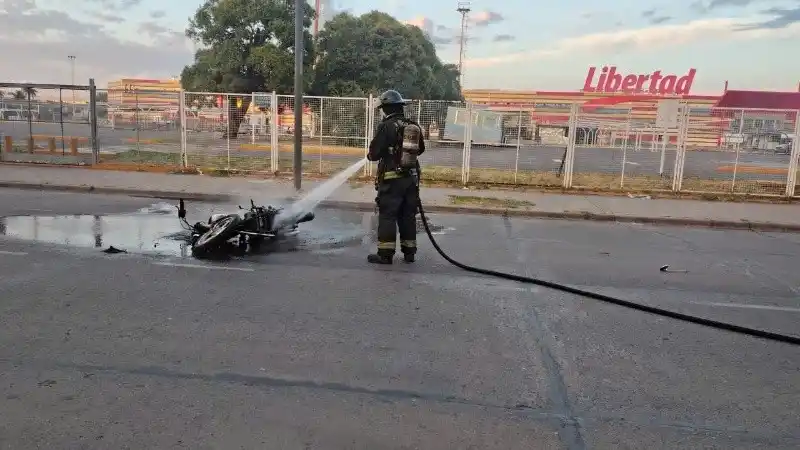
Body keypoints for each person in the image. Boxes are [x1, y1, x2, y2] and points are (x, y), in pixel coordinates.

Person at [366, 89, 425, 265]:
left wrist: (373, 155)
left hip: (392, 180)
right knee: (407, 215)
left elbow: (375, 153)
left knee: (388, 215)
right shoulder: (412, 125)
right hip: (411, 179)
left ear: (386, 108)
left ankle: (385, 254)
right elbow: (420, 149)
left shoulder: (386, 126)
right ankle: (409, 253)